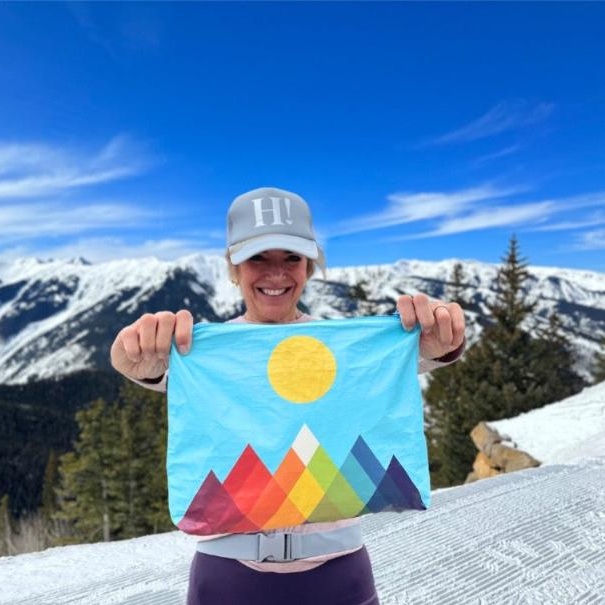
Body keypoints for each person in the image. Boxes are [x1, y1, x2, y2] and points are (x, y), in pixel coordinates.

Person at [110, 186, 465, 604]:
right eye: (258, 257)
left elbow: (421, 358)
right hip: (227, 580)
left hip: (340, 577)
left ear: (310, 266)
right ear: (233, 266)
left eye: (291, 258)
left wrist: (442, 338)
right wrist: (133, 359)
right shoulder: (204, 356)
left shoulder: (348, 352)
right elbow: (157, 375)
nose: (276, 273)